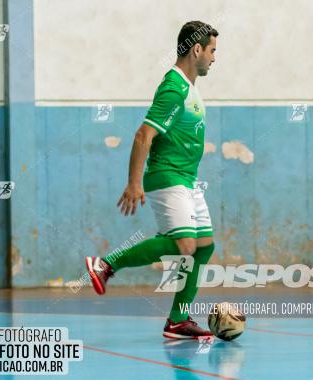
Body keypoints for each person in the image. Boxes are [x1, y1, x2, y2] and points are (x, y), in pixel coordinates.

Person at [85, 21, 218, 339]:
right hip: (167, 176)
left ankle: (178, 320)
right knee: (183, 243)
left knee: (203, 247)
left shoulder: (190, 88)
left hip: (187, 179)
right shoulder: (174, 88)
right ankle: (106, 264)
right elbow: (144, 134)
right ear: (196, 49)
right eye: (212, 51)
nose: (214, 58)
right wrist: (134, 183)